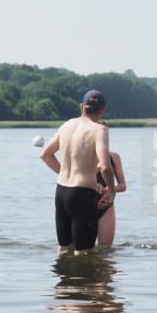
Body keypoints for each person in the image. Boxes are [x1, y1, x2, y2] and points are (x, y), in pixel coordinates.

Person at [40, 90, 116, 255]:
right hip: (82, 194)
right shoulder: (99, 130)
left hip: (61, 192)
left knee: (64, 248)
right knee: (84, 254)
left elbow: (45, 154)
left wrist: (65, 172)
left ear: (82, 106)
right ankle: (82, 280)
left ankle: (64, 280)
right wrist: (111, 190)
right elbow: (105, 167)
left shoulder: (67, 124)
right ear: (103, 110)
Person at [96, 148, 126, 247]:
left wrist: (107, 189)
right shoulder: (81, 154)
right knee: (82, 248)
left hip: (106, 204)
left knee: (105, 249)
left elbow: (122, 186)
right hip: (85, 203)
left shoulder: (114, 157)